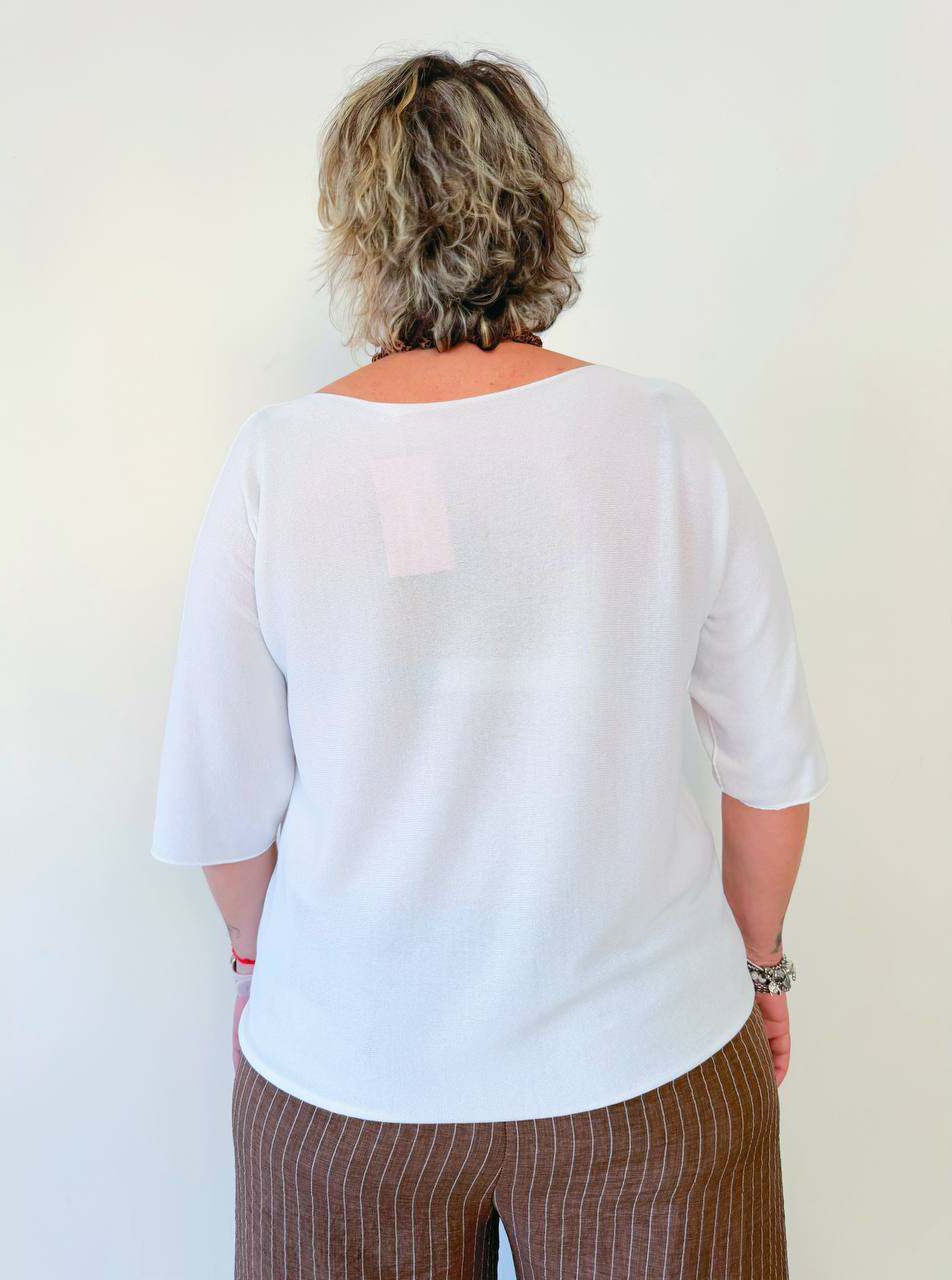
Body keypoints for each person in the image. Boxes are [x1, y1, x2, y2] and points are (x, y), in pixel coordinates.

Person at [150, 48, 829, 1280]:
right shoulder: (666, 435)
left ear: (363, 231)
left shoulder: (279, 461)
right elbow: (769, 765)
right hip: (649, 1056)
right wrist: (759, 958)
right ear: (545, 211)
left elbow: (224, 807)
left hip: (348, 1075)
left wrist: (257, 963)